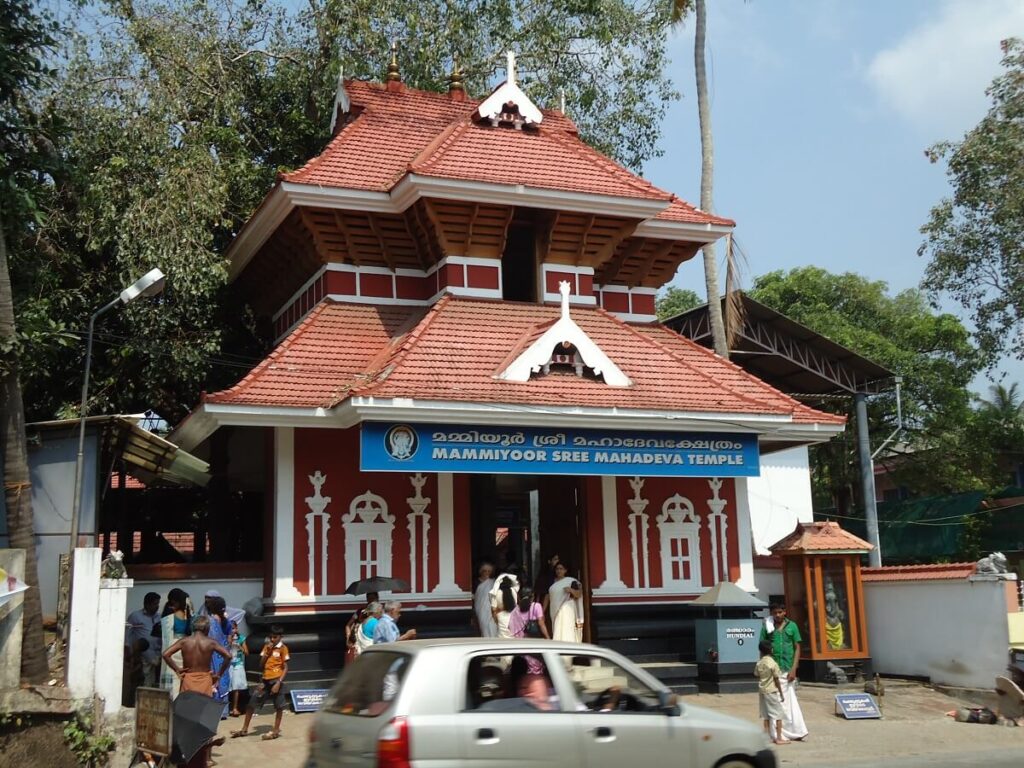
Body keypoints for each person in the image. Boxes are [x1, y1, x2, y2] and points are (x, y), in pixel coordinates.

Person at [232, 625, 289, 741]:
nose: (272, 639)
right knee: (251, 703)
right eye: (271, 637)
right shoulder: (266, 647)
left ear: (280, 637)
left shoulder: (283, 648)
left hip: (276, 680)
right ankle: (244, 729)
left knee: (279, 707)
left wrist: (279, 682)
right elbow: (261, 664)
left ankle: (276, 730)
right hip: (265, 680)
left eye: (275, 637)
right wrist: (267, 653)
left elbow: (286, 668)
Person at [760, 602, 808, 741]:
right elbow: (762, 647)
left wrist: (794, 668)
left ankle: (794, 731)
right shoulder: (767, 626)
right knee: (775, 702)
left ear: (785, 612)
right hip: (772, 669)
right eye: (774, 613)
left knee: (788, 701)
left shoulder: (792, 626)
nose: (777, 615)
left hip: (787, 668)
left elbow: (797, 647)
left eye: (779, 612)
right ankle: (776, 734)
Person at [161, 615, 232, 696]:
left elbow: (165, 654)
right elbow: (228, 656)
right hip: (205, 679)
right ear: (207, 629)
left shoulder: (184, 641)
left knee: (187, 706)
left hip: (188, 679)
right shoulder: (211, 642)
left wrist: (177, 669)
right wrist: (218, 675)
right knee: (204, 707)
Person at [155, 588, 192, 696]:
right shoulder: (190, 617)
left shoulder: (169, 618)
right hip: (186, 649)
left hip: (173, 649)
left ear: (173, 601)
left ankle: (172, 702)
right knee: (185, 678)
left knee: (173, 677)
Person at [755, 639, 788, 745]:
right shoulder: (773, 663)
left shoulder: (759, 663)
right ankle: (778, 738)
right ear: (771, 650)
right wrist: (781, 693)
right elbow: (776, 679)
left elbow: (756, 674)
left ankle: (767, 737)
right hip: (771, 691)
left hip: (762, 691)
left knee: (766, 716)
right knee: (778, 715)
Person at [125, 591, 161, 687]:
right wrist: (129, 651)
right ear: (147, 604)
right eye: (155, 604)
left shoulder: (159, 617)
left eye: (158, 604)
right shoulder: (135, 616)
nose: (157, 606)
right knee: (144, 681)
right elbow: (127, 634)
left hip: (157, 655)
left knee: (155, 682)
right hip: (143, 655)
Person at [543, 562, 583, 643]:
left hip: (567, 611)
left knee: (567, 631)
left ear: (565, 570)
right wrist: (542, 611)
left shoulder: (571, 581)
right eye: (557, 569)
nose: (559, 571)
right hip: (554, 610)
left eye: (561, 569)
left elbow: (579, 594)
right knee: (556, 630)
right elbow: (547, 597)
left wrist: (571, 590)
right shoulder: (551, 582)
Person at [207, 597, 233, 718]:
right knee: (223, 680)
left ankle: (214, 710)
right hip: (225, 654)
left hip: (213, 654)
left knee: (213, 679)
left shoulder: (210, 622)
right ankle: (223, 711)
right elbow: (229, 640)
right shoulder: (227, 622)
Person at [346, 591, 380, 657]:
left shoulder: (380, 612)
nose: (371, 600)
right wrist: (348, 637)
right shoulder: (360, 611)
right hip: (358, 643)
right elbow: (348, 625)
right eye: (370, 598)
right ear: (367, 599)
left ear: (377, 599)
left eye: (373, 598)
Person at [489, 569, 519, 640]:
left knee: (502, 639)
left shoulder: (495, 593)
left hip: (500, 616)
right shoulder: (514, 591)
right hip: (513, 617)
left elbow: (493, 610)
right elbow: (515, 604)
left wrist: (496, 620)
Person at [227, 620, 249, 717]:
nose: (233, 630)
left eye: (234, 628)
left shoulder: (241, 638)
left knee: (236, 686)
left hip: (238, 664)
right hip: (228, 664)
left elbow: (247, 653)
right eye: (231, 628)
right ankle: (226, 708)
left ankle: (235, 708)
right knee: (228, 686)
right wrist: (230, 640)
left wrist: (240, 646)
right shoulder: (227, 638)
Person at [472, 560, 498, 637]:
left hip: (491, 609)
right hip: (480, 609)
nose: (487, 573)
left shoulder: (493, 582)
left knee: (492, 626)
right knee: (483, 626)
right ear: (481, 571)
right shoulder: (475, 582)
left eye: (489, 571)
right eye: (484, 571)